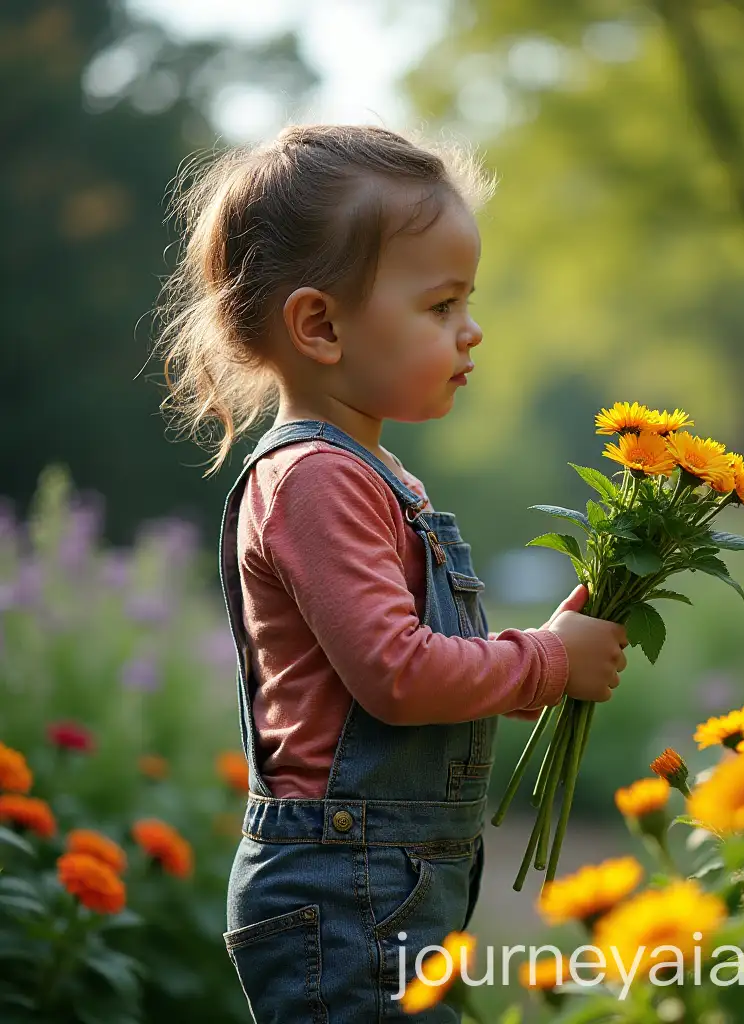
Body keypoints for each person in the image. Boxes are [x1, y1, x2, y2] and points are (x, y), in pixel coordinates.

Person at [154, 123, 627, 1022]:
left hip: (383, 877)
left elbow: (398, 664)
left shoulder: (370, 475)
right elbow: (397, 675)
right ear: (320, 326)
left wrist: (532, 660)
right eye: (441, 305)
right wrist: (544, 661)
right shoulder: (318, 480)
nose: (472, 329)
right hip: (345, 887)